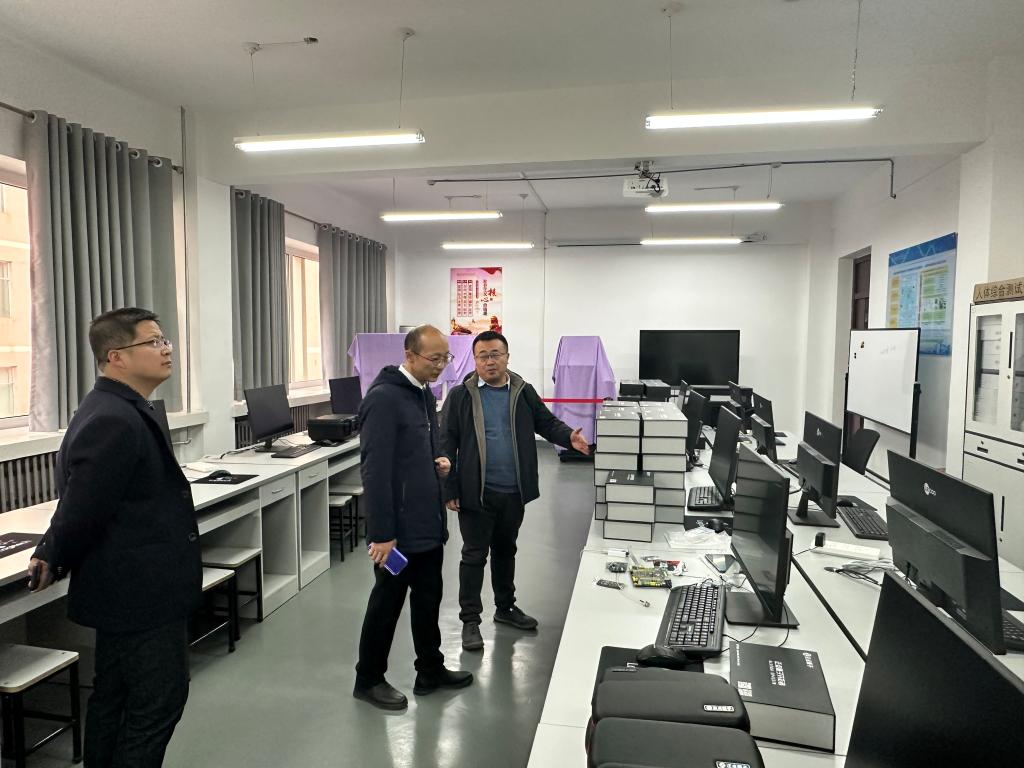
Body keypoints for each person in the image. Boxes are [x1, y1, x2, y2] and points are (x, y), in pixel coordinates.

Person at [28, 307, 201, 767]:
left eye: (165, 340)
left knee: (114, 697)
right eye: (153, 342)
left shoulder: (120, 407)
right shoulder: (114, 418)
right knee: (156, 704)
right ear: (116, 357)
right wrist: (52, 552)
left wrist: (52, 549)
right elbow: (83, 507)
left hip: (130, 589)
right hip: (139, 594)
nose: (166, 349)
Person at [442, 330, 590, 651]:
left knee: (505, 549)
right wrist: (449, 487)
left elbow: (546, 423)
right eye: (483, 356)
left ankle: (505, 607)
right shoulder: (461, 395)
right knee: (474, 555)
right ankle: (470, 620)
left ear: (507, 357)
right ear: (475, 360)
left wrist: (569, 437)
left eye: (496, 354)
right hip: (476, 492)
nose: (490, 361)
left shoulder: (523, 391)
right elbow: (446, 442)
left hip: (513, 491)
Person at [353, 325, 473, 711]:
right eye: (433, 358)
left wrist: (437, 463)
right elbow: (374, 470)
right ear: (409, 355)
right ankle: (368, 679)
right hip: (398, 533)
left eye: (445, 358)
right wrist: (382, 534)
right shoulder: (384, 399)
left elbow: (414, 451)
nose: (440, 366)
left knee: (428, 600)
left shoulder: (422, 393)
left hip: (427, 524)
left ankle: (430, 670)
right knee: (386, 604)